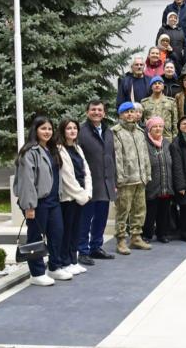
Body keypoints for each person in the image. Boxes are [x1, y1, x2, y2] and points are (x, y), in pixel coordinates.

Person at [14, 116, 69, 286]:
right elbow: (26, 181)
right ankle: (36, 273)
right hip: (38, 203)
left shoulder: (51, 150)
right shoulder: (29, 152)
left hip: (53, 202)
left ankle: (54, 267)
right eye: (43, 128)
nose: (47, 132)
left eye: (50, 129)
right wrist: (29, 206)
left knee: (57, 233)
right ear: (35, 130)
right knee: (35, 237)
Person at [77, 101, 116, 266]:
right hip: (89, 185)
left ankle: (96, 247)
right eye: (93, 109)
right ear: (87, 112)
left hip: (106, 183)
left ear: (104, 113)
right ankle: (83, 251)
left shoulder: (108, 132)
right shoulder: (81, 132)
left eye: (100, 110)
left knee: (101, 218)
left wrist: (114, 181)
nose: (97, 112)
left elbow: (112, 158)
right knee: (85, 220)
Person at [111, 102, 152, 255]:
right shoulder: (116, 132)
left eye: (132, 112)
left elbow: (145, 155)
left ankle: (136, 237)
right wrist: (119, 178)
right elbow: (117, 158)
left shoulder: (140, 132)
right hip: (126, 179)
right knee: (123, 211)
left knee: (140, 209)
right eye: (126, 112)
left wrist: (147, 174)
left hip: (140, 178)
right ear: (120, 114)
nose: (130, 114)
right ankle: (121, 240)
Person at [56, 119, 92, 277]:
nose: (72, 131)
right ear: (63, 131)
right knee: (67, 231)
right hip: (69, 198)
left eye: (74, 128)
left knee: (76, 231)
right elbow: (67, 177)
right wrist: (81, 195)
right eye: (68, 128)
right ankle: (65, 262)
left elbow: (86, 171)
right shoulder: (60, 149)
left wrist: (88, 192)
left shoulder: (77, 147)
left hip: (81, 196)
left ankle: (73, 260)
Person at [142, 116, 173, 244]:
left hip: (166, 183)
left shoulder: (166, 142)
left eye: (160, 126)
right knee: (150, 212)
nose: (158, 128)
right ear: (149, 129)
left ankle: (162, 234)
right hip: (151, 184)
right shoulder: (144, 143)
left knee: (164, 211)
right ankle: (147, 234)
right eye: (155, 126)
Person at [141, 76, 179, 141]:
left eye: (159, 83)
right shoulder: (144, 102)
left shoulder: (171, 102)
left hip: (167, 137)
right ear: (151, 87)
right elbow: (141, 122)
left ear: (163, 86)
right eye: (154, 83)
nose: (157, 85)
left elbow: (175, 121)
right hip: (149, 137)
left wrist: (175, 138)